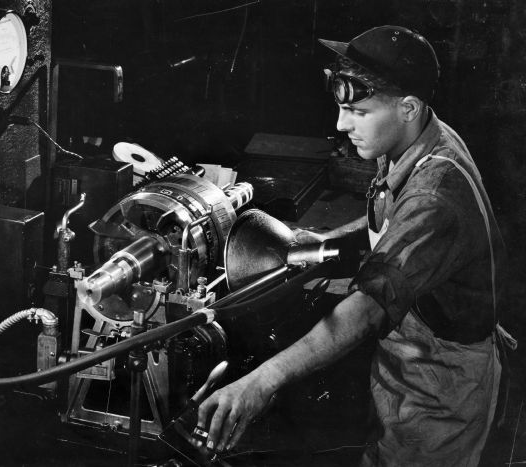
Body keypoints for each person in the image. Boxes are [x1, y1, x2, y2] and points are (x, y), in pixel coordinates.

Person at [196, 25, 508, 466]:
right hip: (408, 351)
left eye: (358, 111)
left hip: (441, 385)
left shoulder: (436, 194)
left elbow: (363, 314)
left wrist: (261, 382)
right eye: (342, 108)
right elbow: (387, 222)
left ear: (408, 107)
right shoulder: (413, 139)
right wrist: (319, 245)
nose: (342, 125)